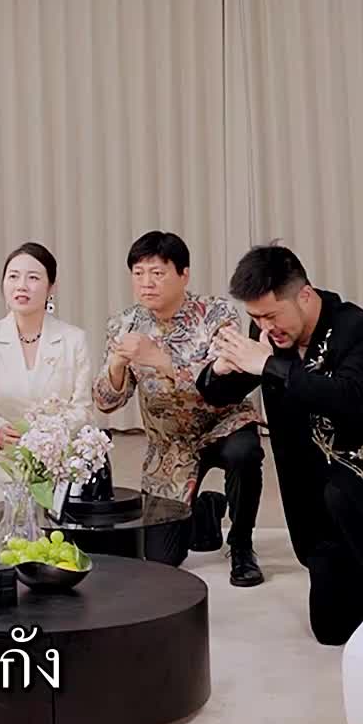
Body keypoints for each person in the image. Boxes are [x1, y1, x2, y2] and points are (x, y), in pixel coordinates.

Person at [199, 245, 363, 643]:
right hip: (313, 507)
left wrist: (269, 364)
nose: (264, 327)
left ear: (304, 295)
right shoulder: (272, 335)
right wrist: (221, 368)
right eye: (255, 318)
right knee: (333, 632)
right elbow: (217, 394)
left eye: (271, 315)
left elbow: (349, 397)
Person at [93, 230, 265, 582]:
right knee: (162, 559)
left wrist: (160, 360)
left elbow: (220, 385)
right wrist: (116, 364)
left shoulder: (217, 314)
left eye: (157, 273)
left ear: (184, 274)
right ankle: (206, 509)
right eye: (138, 273)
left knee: (244, 453)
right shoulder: (123, 324)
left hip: (224, 424)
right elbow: (106, 403)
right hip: (170, 446)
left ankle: (242, 545)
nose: (147, 283)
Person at [0, 242, 92, 520]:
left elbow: (83, 409)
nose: (22, 286)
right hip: (4, 469)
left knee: (57, 544)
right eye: (13, 276)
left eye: (33, 278)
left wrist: (49, 438)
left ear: (51, 287)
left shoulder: (73, 339)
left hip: (58, 474)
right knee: (5, 543)